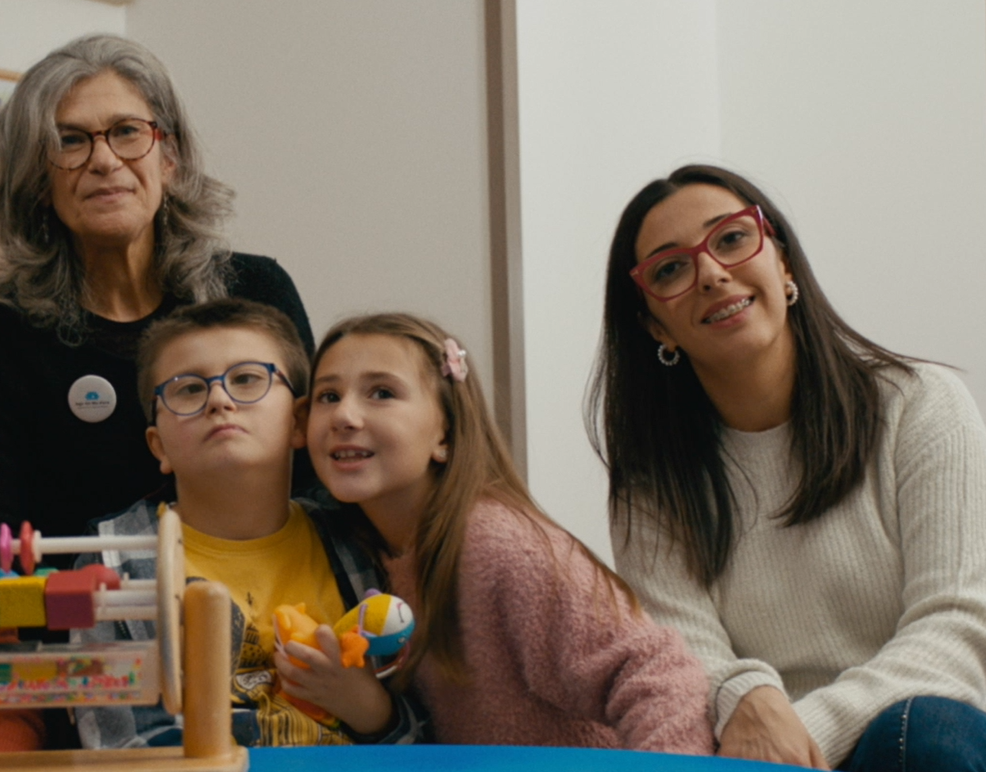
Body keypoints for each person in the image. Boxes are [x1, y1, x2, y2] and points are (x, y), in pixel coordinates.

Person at [587, 164, 986, 771]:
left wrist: (802, 732)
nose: (712, 273)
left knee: (915, 734)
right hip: (790, 762)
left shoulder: (921, 404)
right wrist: (746, 696)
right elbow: (684, 665)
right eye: (670, 269)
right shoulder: (652, 488)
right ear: (653, 324)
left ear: (784, 262)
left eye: (732, 238)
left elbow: (963, 628)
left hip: (976, 735)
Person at [301, 313, 712, 753]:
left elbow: (660, 675)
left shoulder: (499, 546)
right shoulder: (354, 549)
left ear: (446, 433)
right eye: (328, 395)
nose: (344, 414)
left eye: (382, 393)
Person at [0, 34, 314, 544]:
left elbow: (313, 475)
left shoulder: (256, 292)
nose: (104, 160)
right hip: (74, 614)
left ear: (168, 157)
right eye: (70, 141)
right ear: (38, 178)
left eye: (127, 131)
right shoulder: (9, 332)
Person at [73, 299, 423, 748]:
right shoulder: (108, 564)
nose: (219, 400)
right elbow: (119, 747)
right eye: (188, 389)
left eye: (247, 379)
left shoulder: (356, 541)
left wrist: (372, 709)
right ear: (159, 446)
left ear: (299, 421)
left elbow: (424, 738)